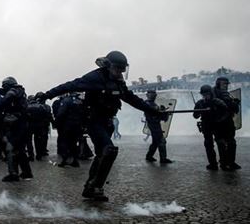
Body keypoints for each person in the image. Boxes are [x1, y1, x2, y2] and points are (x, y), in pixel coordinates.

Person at [37, 51, 161, 201]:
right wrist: (46, 95)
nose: (120, 72)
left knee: (102, 154)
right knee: (109, 150)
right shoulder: (94, 78)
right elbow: (70, 85)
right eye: (117, 69)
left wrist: (153, 111)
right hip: (93, 120)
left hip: (107, 121)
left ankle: (91, 187)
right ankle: (95, 187)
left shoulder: (118, 81)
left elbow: (131, 98)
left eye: (122, 69)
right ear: (108, 66)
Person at [194, 84, 236, 171]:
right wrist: (198, 110)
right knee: (208, 145)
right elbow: (195, 116)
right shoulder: (200, 103)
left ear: (211, 93)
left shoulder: (218, 101)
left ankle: (224, 164)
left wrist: (219, 119)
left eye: (207, 94)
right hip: (206, 126)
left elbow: (226, 112)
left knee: (221, 144)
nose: (206, 96)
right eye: (204, 94)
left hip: (217, 125)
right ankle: (212, 164)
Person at [0, 76, 33, 182]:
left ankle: (13, 174)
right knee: (20, 150)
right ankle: (27, 172)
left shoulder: (13, 92)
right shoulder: (21, 92)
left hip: (15, 124)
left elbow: (5, 100)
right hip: (22, 124)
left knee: (10, 148)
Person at [212, 77, 241, 170]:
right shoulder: (217, 93)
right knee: (222, 143)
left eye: (226, 84)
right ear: (218, 84)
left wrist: (235, 103)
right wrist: (234, 103)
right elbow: (229, 106)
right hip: (219, 122)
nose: (226, 86)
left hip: (225, 121)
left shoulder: (225, 94)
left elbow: (234, 109)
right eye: (224, 84)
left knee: (231, 142)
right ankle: (225, 163)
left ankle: (230, 162)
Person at [143, 90, 172, 164]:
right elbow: (153, 113)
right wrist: (160, 111)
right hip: (153, 124)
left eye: (154, 94)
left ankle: (149, 156)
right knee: (161, 141)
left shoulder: (153, 104)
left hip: (155, 124)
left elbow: (161, 117)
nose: (153, 95)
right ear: (147, 95)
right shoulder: (147, 104)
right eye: (151, 94)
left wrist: (164, 112)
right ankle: (163, 159)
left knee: (155, 142)